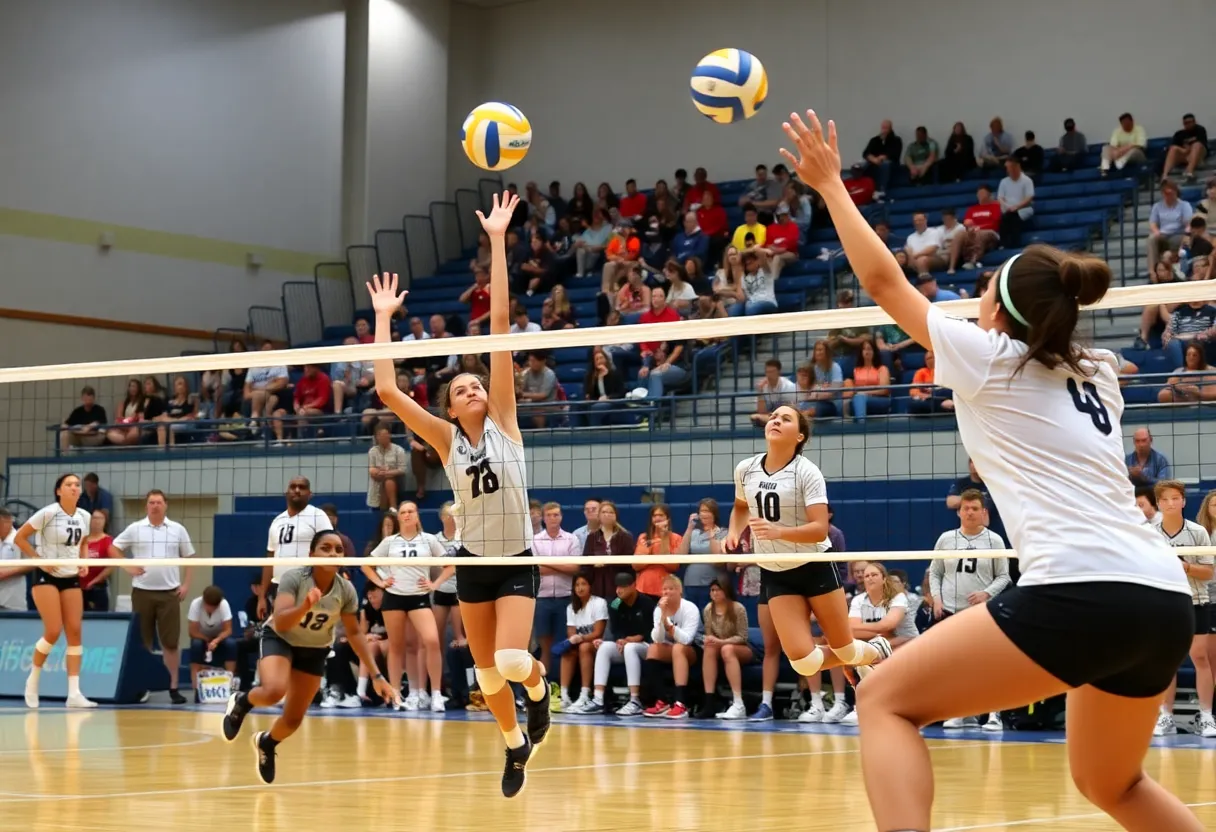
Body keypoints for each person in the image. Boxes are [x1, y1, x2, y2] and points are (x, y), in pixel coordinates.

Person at [780, 109, 1201, 832]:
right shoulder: (1098, 372)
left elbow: (886, 284)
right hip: (1161, 599)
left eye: (984, 288)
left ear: (1000, 312)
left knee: (883, 699)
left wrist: (829, 186)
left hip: (1080, 587)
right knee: (1113, 782)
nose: (971, 297)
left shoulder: (988, 357)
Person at [367, 191, 550, 800]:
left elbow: (499, 327)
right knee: (488, 672)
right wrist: (387, 316)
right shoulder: (445, 442)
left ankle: (541, 692)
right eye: (464, 386)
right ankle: (514, 745)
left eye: (478, 382)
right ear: (449, 405)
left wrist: (498, 240)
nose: (474, 387)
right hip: (472, 563)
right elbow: (389, 392)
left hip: (516, 559)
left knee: (516, 664)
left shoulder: (504, 419)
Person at [726, 405, 889, 718]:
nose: (775, 420)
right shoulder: (745, 468)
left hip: (813, 566)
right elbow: (740, 506)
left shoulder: (806, 471)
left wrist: (778, 532)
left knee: (842, 647)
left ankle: (877, 649)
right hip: (775, 572)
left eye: (785, 418)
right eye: (773, 416)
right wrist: (734, 532)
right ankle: (865, 658)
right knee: (802, 660)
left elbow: (819, 529)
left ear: (799, 436)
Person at [222, 531, 397, 783]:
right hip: (280, 639)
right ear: (311, 554)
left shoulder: (345, 589)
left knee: (292, 720)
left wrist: (377, 676)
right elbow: (281, 622)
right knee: (273, 690)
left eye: (338, 550)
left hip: (314, 650)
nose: (333, 553)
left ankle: (267, 743)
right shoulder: (294, 577)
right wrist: (305, 605)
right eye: (325, 548)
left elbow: (355, 634)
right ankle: (241, 702)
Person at [13, 474, 96, 708]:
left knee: (75, 631)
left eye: (77, 485)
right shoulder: (48, 513)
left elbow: (84, 543)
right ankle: (33, 680)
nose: (74, 487)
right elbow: (20, 538)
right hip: (46, 575)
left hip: (70, 576)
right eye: (68, 485)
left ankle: (74, 694)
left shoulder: (85, 516)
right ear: (58, 490)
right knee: (52, 630)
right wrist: (38, 560)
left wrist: (84, 562)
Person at [362, 501, 450, 712]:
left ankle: (436, 694)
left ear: (417, 516)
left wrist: (434, 584)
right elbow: (365, 564)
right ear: (399, 517)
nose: (407, 515)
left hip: (418, 597)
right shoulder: (390, 542)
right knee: (397, 646)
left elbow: (451, 565)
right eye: (403, 512)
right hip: (394, 598)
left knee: (431, 641)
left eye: (411, 511)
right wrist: (381, 582)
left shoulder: (428, 540)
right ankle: (396, 694)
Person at [1149, 480, 1214, 738]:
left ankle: (1207, 716)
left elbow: (1208, 572)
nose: (1171, 503)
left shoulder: (1198, 532)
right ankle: (1166, 716)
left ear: (1184, 501)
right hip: (1164, 603)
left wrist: (1185, 567)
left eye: (1176, 498)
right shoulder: (1150, 533)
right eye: (1165, 499)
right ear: (1158, 504)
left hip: (1196, 600)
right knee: (1167, 661)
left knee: (1200, 657)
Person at [258, 478, 332, 619]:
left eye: (302, 487)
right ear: (287, 492)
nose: (297, 490)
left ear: (310, 494)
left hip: (308, 586)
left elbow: (330, 550)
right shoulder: (277, 521)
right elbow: (269, 559)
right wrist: (262, 596)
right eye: (293, 487)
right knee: (282, 631)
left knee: (305, 634)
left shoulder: (318, 515)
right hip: (280, 586)